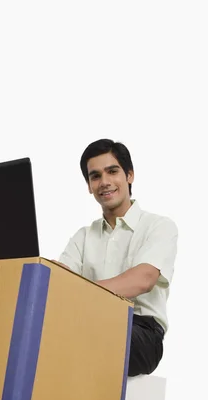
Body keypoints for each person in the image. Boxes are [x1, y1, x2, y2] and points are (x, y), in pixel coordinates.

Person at [56, 139, 178, 377]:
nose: (105, 182)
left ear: (129, 175)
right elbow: (59, 281)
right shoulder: (83, 237)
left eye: (112, 171)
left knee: (78, 331)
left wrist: (79, 293)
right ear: (89, 186)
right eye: (95, 176)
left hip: (141, 331)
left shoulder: (158, 226)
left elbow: (143, 279)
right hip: (88, 320)